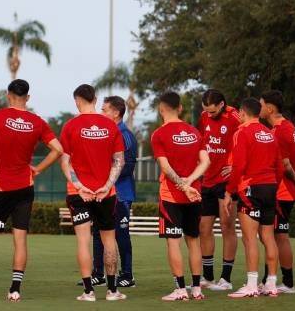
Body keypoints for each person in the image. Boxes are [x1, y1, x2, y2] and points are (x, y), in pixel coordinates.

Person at [0, 78, 63, 302]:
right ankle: (15, 290)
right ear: (28, 98)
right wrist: (38, 169)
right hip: (25, 187)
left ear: (8, 95)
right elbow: (58, 149)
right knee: (20, 239)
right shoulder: (37, 122)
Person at [60, 83, 126, 302]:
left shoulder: (70, 126)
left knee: (83, 241)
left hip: (79, 194)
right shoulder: (110, 126)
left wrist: (79, 186)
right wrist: (107, 186)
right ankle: (112, 291)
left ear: (77, 100)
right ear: (95, 100)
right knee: (109, 240)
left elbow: (65, 162)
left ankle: (88, 292)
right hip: (106, 194)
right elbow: (119, 161)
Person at [151, 92, 211, 301]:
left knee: (173, 242)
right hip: (194, 195)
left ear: (161, 109)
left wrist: (182, 185)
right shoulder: (195, 132)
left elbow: (165, 168)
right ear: (180, 108)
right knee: (193, 241)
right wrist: (190, 182)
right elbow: (205, 162)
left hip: (172, 196)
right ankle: (197, 289)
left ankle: (180, 290)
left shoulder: (159, 134)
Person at [222, 97, 282, 298]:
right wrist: (273, 184)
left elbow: (238, 166)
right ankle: (272, 284)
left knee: (250, 239)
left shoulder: (242, 132)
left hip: (251, 188)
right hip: (270, 187)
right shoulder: (269, 133)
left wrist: (229, 191)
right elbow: (280, 166)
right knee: (268, 236)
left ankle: (251, 285)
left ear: (242, 112)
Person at [260, 90, 295, 294]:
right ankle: (280, 281)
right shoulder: (290, 127)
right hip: (286, 192)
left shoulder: (278, 132)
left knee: (275, 236)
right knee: (274, 236)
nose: (260, 108)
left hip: (280, 193)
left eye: (262, 104)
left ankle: (281, 283)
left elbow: (288, 164)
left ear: (270, 108)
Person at [86, 96, 137, 288]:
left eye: (104, 109)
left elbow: (128, 166)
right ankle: (98, 274)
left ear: (116, 112)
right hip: (104, 193)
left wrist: (106, 178)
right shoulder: (106, 133)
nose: (101, 112)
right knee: (99, 233)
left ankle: (128, 275)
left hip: (121, 194)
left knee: (121, 235)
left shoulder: (124, 135)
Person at [197, 89, 240, 291]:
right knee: (204, 228)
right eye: (206, 110)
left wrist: (236, 165)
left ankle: (226, 279)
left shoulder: (235, 117)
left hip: (226, 181)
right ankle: (207, 277)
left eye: (212, 111)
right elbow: (201, 144)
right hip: (207, 180)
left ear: (222, 104)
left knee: (226, 226)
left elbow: (247, 141)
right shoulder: (204, 116)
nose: (208, 114)